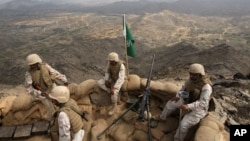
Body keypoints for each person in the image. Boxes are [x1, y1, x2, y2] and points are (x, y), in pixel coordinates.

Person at [160, 63, 213, 141]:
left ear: (199, 75)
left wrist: (188, 106)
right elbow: (183, 89)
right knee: (170, 104)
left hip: (198, 109)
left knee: (183, 125)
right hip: (187, 100)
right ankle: (162, 118)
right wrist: (178, 96)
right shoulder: (190, 80)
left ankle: (177, 139)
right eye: (190, 74)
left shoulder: (206, 87)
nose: (191, 76)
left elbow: (203, 103)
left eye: (194, 75)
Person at [24, 53, 68, 120]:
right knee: (50, 107)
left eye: (33, 64)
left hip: (51, 87)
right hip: (41, 92)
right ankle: (50, 120)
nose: (32, 66)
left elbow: (55, 73)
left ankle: (63, 116)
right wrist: (39, 93)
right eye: (31, 65)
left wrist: (64, 80)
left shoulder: (45, 66)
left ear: (37, 62)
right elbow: (29, 88)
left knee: (59, 101)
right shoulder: (28, 74)